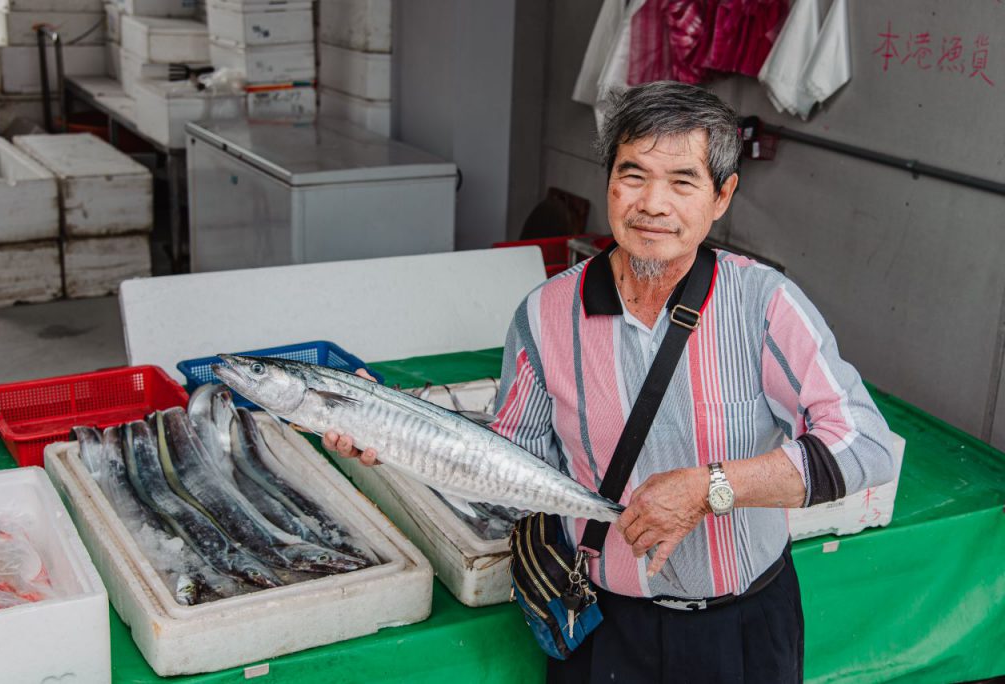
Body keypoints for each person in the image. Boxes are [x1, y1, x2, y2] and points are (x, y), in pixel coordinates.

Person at [326, 81, 896, 683]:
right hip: (602, 625)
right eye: (633, 175)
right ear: (609, 183)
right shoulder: (545, 314)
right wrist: (390, 432)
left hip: (741, 626)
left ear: (722, 195)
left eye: (682, 181)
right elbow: (509, 472)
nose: (653, 203)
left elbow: (866, 445)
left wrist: (710, 488)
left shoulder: (764, 304)